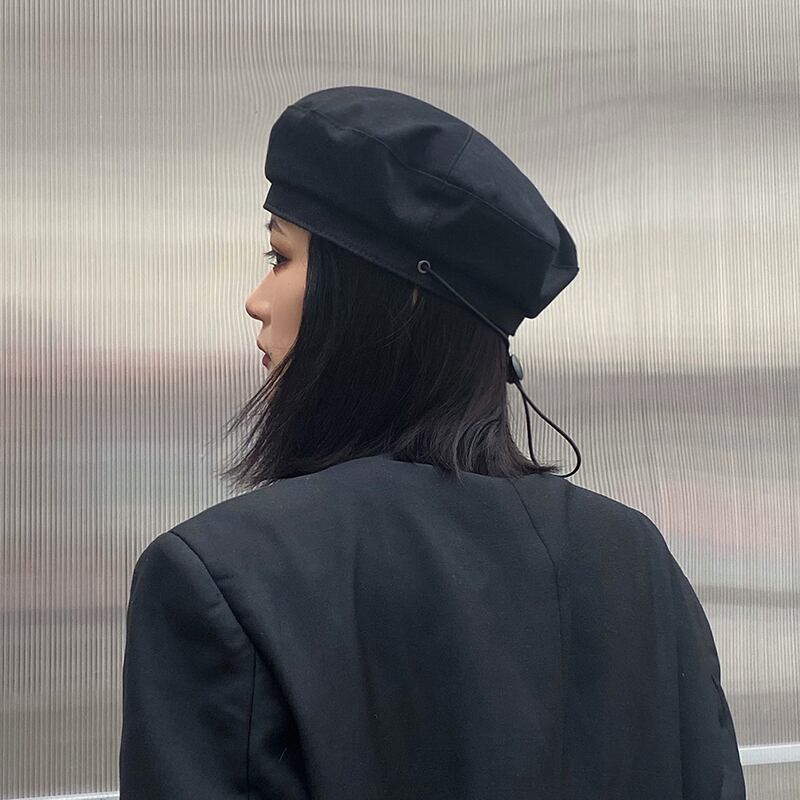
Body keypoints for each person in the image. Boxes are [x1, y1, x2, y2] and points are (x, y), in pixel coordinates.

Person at [119, 86, 745, 799]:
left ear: (394, 295)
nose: (256, 300)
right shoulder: (639, 563)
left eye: (281, 255)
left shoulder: (221, 577)